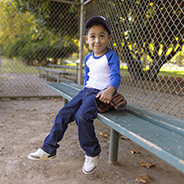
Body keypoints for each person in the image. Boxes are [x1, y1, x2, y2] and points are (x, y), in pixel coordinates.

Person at [28, 15, 121, 175]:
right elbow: (87, 78)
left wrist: (110, 90)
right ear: (86, 39)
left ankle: (92, 152)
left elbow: (116, 76)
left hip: (101, 93)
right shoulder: (87, 58)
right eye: (93, 36)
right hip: (86, 91)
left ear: (109, 38)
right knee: (64, 113)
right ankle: (48, 148)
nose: (97, 40)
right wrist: (84, 94)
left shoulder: (110, 56)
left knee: (81, 116)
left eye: (101, 36)